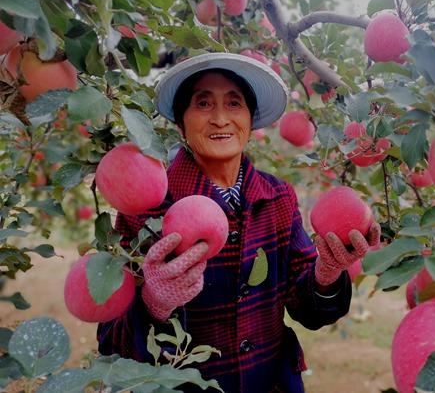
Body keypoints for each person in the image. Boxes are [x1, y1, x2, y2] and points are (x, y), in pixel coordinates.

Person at [97, 53, 381, 392]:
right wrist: (153, 303)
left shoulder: (277, 196)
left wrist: (327, 273)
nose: (220, 119)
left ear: (249, 119)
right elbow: (112, 343)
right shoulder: (145, 209)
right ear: (180, 124)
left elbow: (309, 310)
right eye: (203, 104)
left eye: (234, 104)